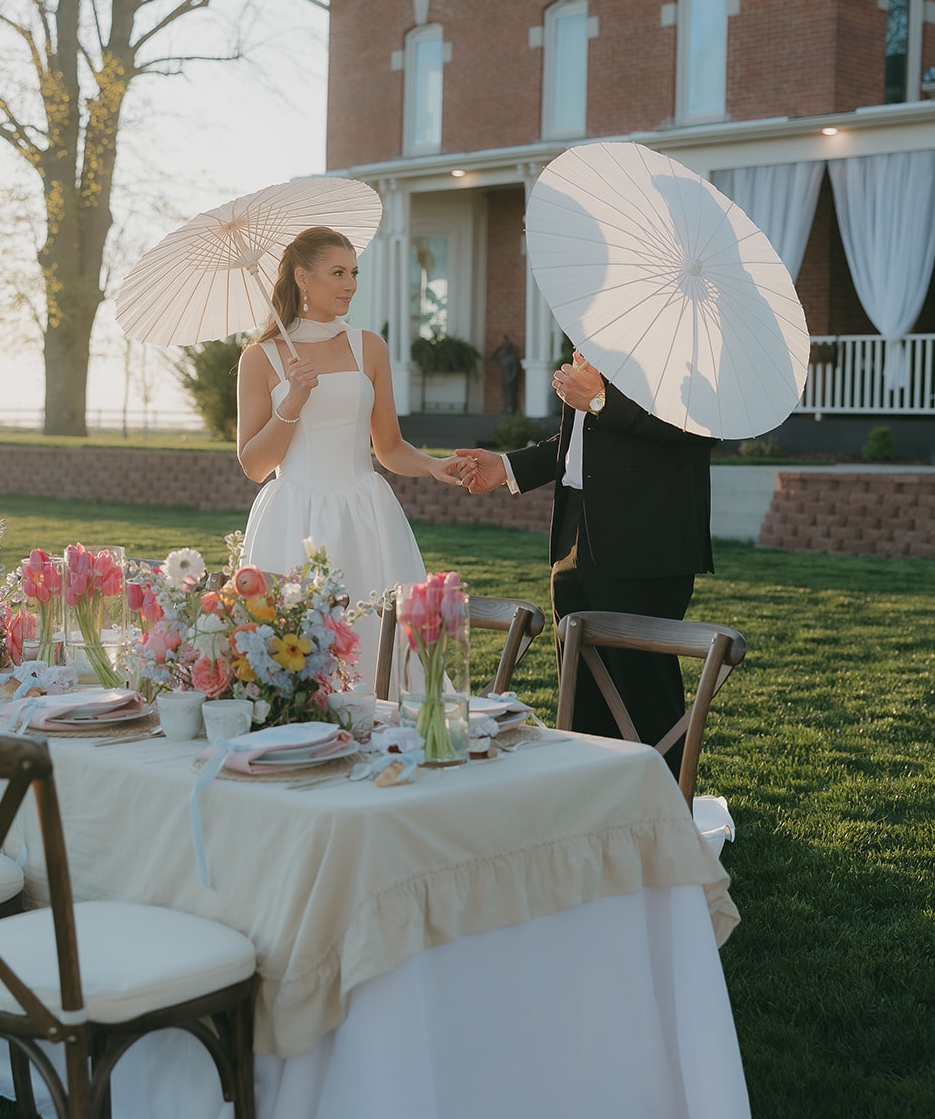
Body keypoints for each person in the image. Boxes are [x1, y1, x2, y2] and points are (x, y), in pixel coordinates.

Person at [455, 348, 716, 770]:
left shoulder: (684, 337)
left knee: (644, 696)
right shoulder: (602, 332)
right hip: (575, 531)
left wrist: (601, 401)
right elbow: (585, 442)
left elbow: (701, 429)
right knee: (581, 697)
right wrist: (507, 467)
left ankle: (663, 815)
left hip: (646, 536)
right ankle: (594, 809)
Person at [237, 226, 462, 688]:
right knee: (291, 657)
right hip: (293, 521)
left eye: (354, 273)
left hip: (367, 517)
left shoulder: (369, 346)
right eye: (337, 272)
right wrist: (291, 402)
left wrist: (433, 466)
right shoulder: (260, 358)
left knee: (383, 647)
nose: (350, 285)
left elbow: (390, 447)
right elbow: (254, 466)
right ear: (302, 277)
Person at [490, 336, 522, 414]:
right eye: (505, 348)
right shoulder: (503, 358)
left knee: (511, 396)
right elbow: (492, 357)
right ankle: (506, 408)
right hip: (504, 379)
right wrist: (499, 348)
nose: (506, 349)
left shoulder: (512, 358)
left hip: (511, 380)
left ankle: (511, 410)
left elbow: (515, 370)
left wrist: (511, 379)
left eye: (507, 348)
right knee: (505, 395)